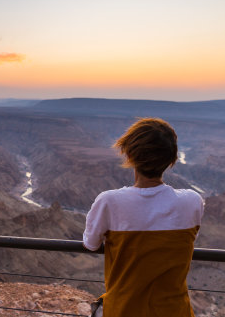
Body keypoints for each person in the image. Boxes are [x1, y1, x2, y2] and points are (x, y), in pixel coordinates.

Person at [83, 118, 204, 317]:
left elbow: (91, 244)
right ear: (171, 159)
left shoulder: (109, 202)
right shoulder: (192, 202)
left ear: (130, 155)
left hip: (122, 310)